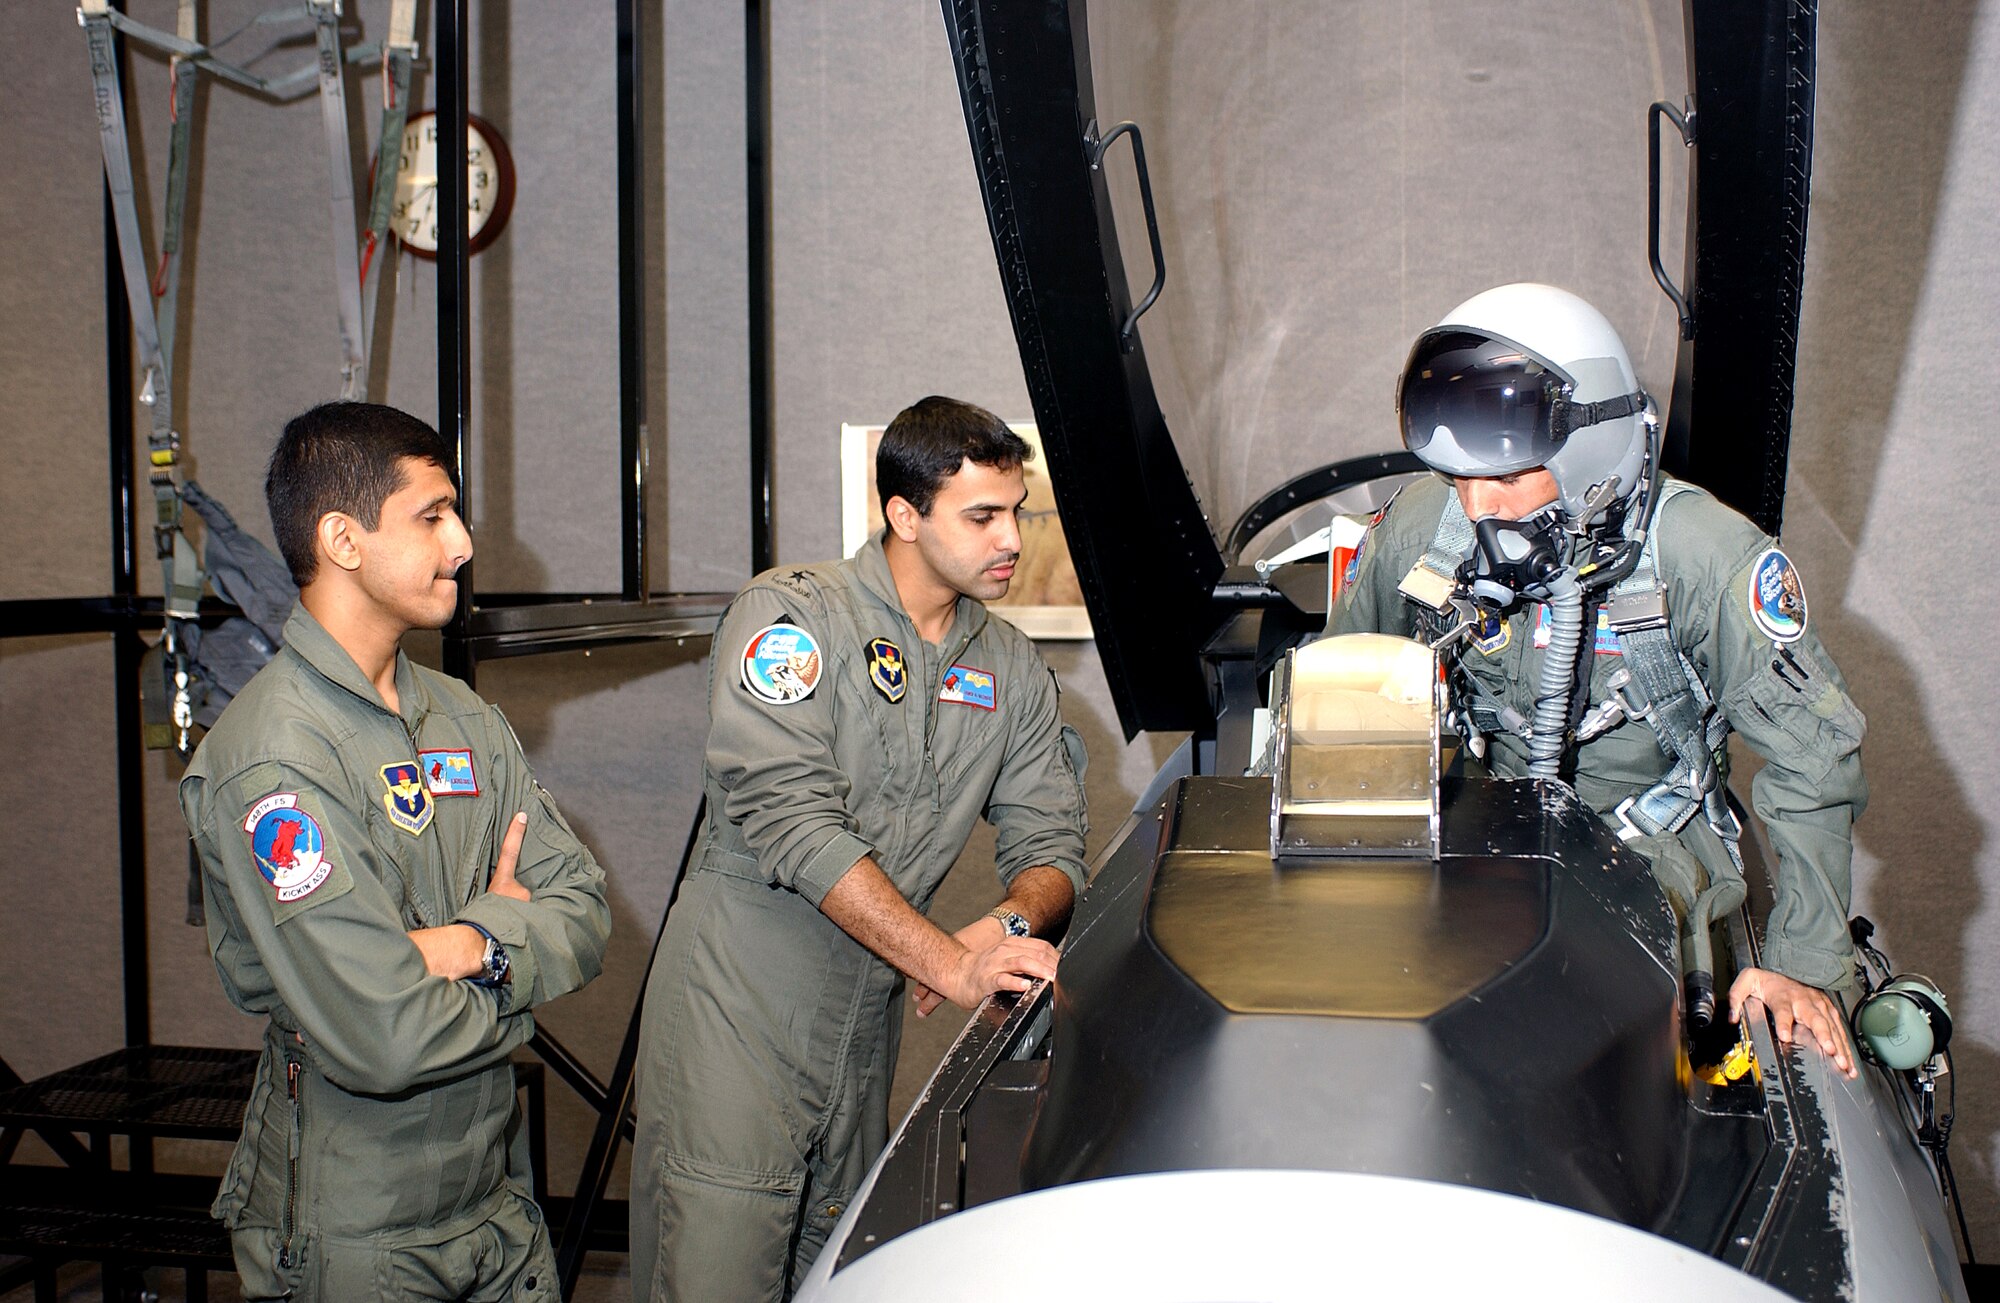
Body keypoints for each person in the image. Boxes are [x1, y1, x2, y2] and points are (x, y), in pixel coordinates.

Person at [1332, 284, 1864, 1077]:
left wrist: (1804, 965)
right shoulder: (1424, 528)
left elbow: (1812, 757)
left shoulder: (1703, 559)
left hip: (1647, 856)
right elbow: (1335, 698)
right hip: (1464, 844)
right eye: (1458, 478)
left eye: (1508, 477)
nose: (1478, 506)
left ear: (1587, 459)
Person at [631, 396, 1091, 1301]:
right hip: (742, 1009)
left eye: (1019, 512)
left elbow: (1055, 845)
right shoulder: (797, 618)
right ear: (905, 515)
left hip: (863, 1027)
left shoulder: (1005, 665)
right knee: (714, 1274)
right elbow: (795, 821)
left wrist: (995, 927)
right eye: (983, 516)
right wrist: (949, 966)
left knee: (834, 1277)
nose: (1013, 538)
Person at [178, 402, 612, 1300]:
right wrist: (511, 953)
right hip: (356, 1230)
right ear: (343, 539)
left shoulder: (459, 715)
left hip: (492, 1198)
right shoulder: (275, 758)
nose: (461, 541)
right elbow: (381, 1034)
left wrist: (468, 946)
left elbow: (584, 908)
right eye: (432, 515)